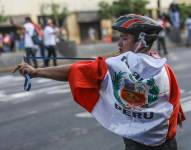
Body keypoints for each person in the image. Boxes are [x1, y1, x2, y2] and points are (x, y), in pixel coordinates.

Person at [13, 14, 185, 150]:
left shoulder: (116, 66)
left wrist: (35, 71)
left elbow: (74, 71)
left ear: (140, 41)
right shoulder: (163, 67)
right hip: (167, 142)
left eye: (124, 38)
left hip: (137, 144)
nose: (119, 44)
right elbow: (174, 103)